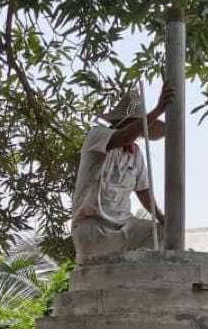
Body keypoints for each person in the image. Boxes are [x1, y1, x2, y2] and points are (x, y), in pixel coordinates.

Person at [71, 84, 172, 262]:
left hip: (125, 227)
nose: (140, 132)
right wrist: (157, 111)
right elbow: (124, 137)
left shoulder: (136, 154)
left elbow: (143, 190)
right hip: (94, 228)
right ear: (122, 123)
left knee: (165, 233)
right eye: (138, 126)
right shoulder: (98, 135)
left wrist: (161, 217)